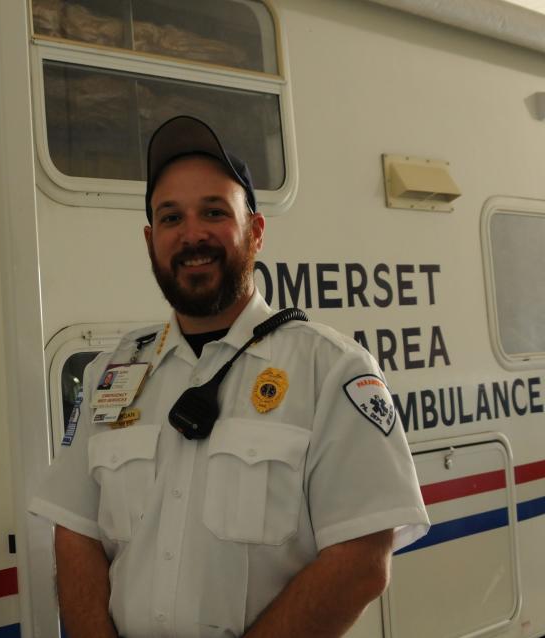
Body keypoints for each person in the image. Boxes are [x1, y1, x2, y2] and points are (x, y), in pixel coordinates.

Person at [28, 115, 430, 638]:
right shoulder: (113, 372)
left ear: (255, 231)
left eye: (213, 212)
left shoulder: (330, 370)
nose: (192, 233)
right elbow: (76, 531)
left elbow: (360, 561)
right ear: (151, 240)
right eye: (171, 218)